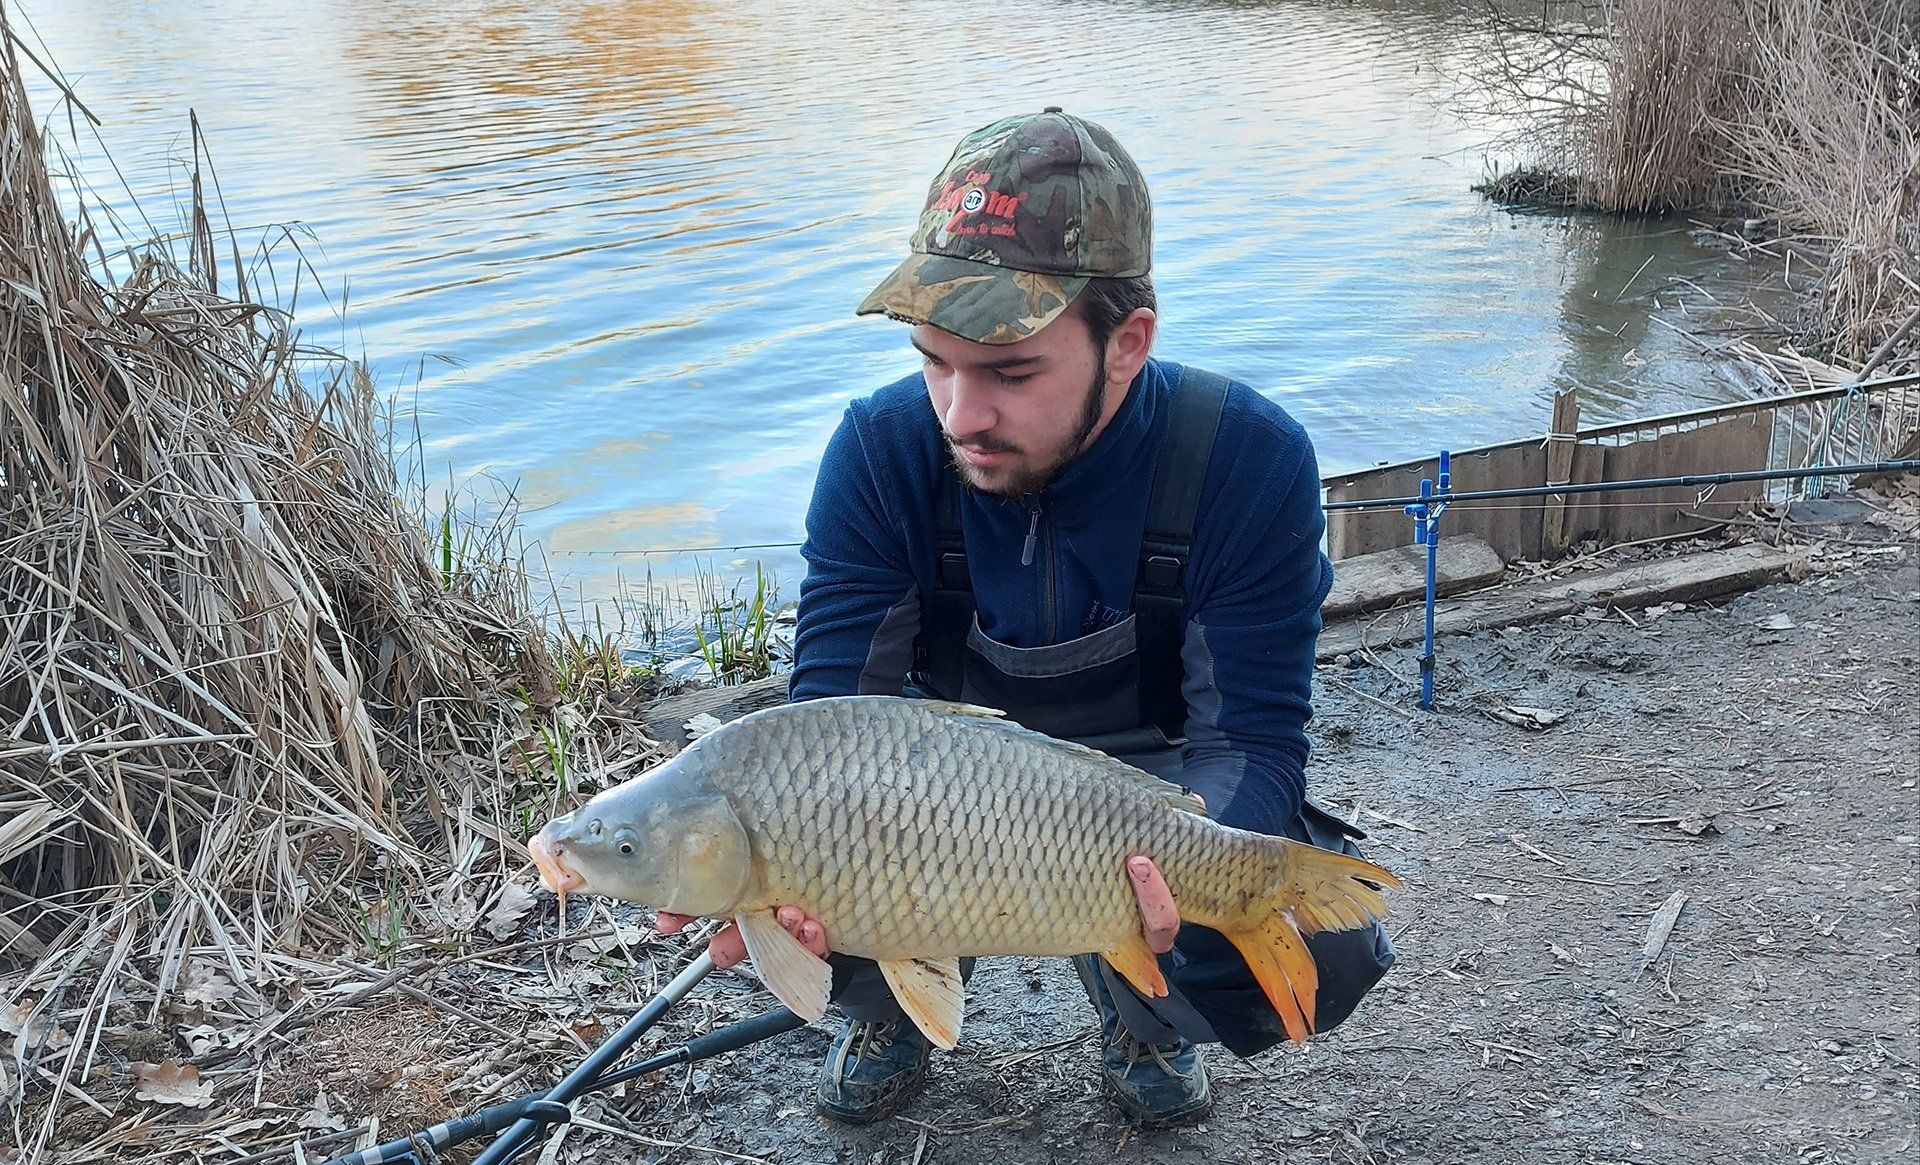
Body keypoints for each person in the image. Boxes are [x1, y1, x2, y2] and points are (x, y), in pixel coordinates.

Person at [658, 108, 1395, 1129]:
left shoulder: (1247, 459)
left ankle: (1147, 1011)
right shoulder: (880, 451)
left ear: (1126, 342)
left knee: (1320, 946)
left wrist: (1179, 871)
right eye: (934, 362)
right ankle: (895, 1010)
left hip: (1155, 780)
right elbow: (829, 717)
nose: (959, 415)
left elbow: (1255, 740)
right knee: (809, 857)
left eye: (1008, 372)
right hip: (927, 789)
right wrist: (785, 871)